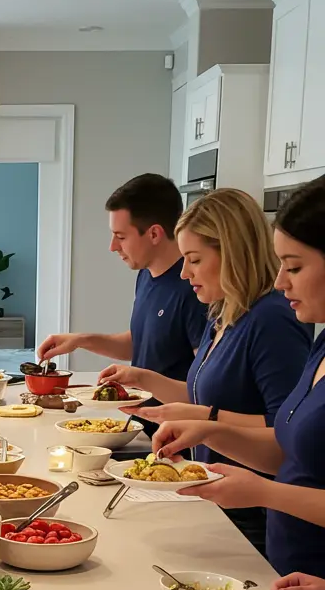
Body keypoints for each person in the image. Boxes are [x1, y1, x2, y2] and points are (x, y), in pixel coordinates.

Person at [100, 190, 312, 554]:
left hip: (252, 515)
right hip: (213, 494)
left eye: (194, 260)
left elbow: (284, 429)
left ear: (232, 254)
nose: (184, 273)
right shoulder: (223, 312)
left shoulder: (272, 319)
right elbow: (204, 392)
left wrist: (207, 420)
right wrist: (143, 379)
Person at [150, 174, 325, 578]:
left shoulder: (273, 319)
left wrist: (211, 424)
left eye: (294, 266)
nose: (282, 281)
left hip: (267, 539)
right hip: (293, 569)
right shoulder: (315, 342)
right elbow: (288, 440)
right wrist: (207, 429)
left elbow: (282, 448)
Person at [38, 173, 207, 383]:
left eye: (121, 237)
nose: (112, 246)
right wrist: (80, 340)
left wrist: (144, 382)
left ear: (154, 234)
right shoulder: (145, 274)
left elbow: (204, 386)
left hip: (171, 417)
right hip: (139, 415)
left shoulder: (196, 288)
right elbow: (142, 343)